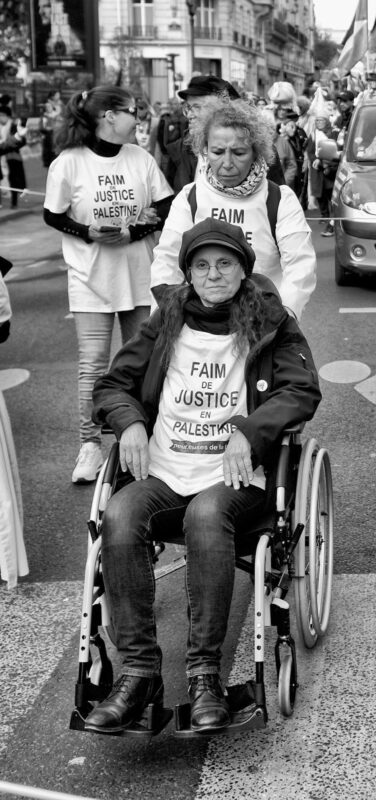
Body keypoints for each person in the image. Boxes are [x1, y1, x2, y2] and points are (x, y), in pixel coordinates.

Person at [85, 217, 321, 734]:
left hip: (235, 477)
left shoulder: (271, 321)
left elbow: (301, 390)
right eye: (202, 265)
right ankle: (139, 673)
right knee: (121, 512)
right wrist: (128, 424)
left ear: (243, 270)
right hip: (166, 468)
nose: (214, 274)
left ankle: (204, 675)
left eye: (225, 264)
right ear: (188, 273)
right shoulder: (165, 320)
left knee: (206, 514)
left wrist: (249, 430)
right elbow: (111, 386)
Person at [43, 85, 173, 484]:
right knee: (94, 365)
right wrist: (88, 232)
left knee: (145, 362)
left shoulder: (141, 158)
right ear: (109, 117)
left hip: (137, 275)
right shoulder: (68, 163)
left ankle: (146, 438)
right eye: (133, 111)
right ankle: (90, 446)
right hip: (90, 277)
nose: (139, 118)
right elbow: (53, 215)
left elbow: (166, 208)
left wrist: (137, 228)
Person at [150, 98, 316, 321]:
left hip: (263, 321)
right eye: (218, 152)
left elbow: (299, 266)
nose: (227, 163)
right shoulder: (190, 197)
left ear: (256, 152)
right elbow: (167, 261)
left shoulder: (279, 199)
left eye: (238, 153)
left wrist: (283, 318)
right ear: (204, 150)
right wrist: (163, 318)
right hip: (201, 325)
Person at [0, 106, 27, 208]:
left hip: (12, 156)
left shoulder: (13, 126)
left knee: (13, 179)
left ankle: (14, 202)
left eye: (1, 115)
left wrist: (18, 137)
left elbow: (6, 145)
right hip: (3, 157)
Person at [41, 89, 63, 168]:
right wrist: (58, 111)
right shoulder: (48, 104)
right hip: (51, 132)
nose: (59, 96)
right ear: (52, 96)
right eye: (57, 95)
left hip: (57, 131)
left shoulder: (59, 104)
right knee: (51, 151)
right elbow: (50, 116)